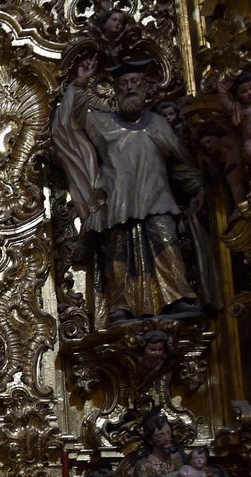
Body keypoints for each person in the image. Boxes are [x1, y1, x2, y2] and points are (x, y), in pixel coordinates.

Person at [52, 60, 201, 324]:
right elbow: (73, 118)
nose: (129, 88)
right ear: (115, 90)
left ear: (145, 88)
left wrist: (198, 187)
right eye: (123, 84)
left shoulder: (158, 124)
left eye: (135, 82)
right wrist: (81, 83)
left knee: (166, 243)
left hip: (157, 199)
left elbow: (181, 160)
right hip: (118, 203)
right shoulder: (104, 124)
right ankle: (120, 304)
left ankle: (177, 297)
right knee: (117, 254)